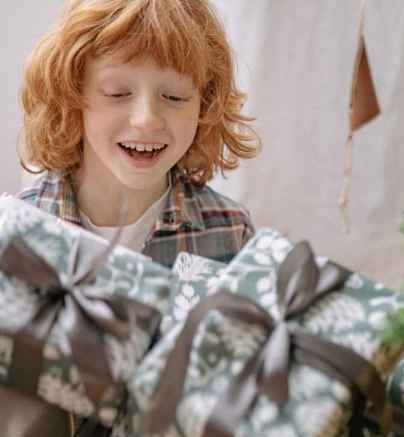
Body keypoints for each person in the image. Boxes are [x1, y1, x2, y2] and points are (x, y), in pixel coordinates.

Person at [17, 0, 260, 268]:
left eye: (174, 96)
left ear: (206, 105)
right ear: (70, 95)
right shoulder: (10, 234)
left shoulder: (233, 234)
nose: (147, 121)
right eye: (117, 93)